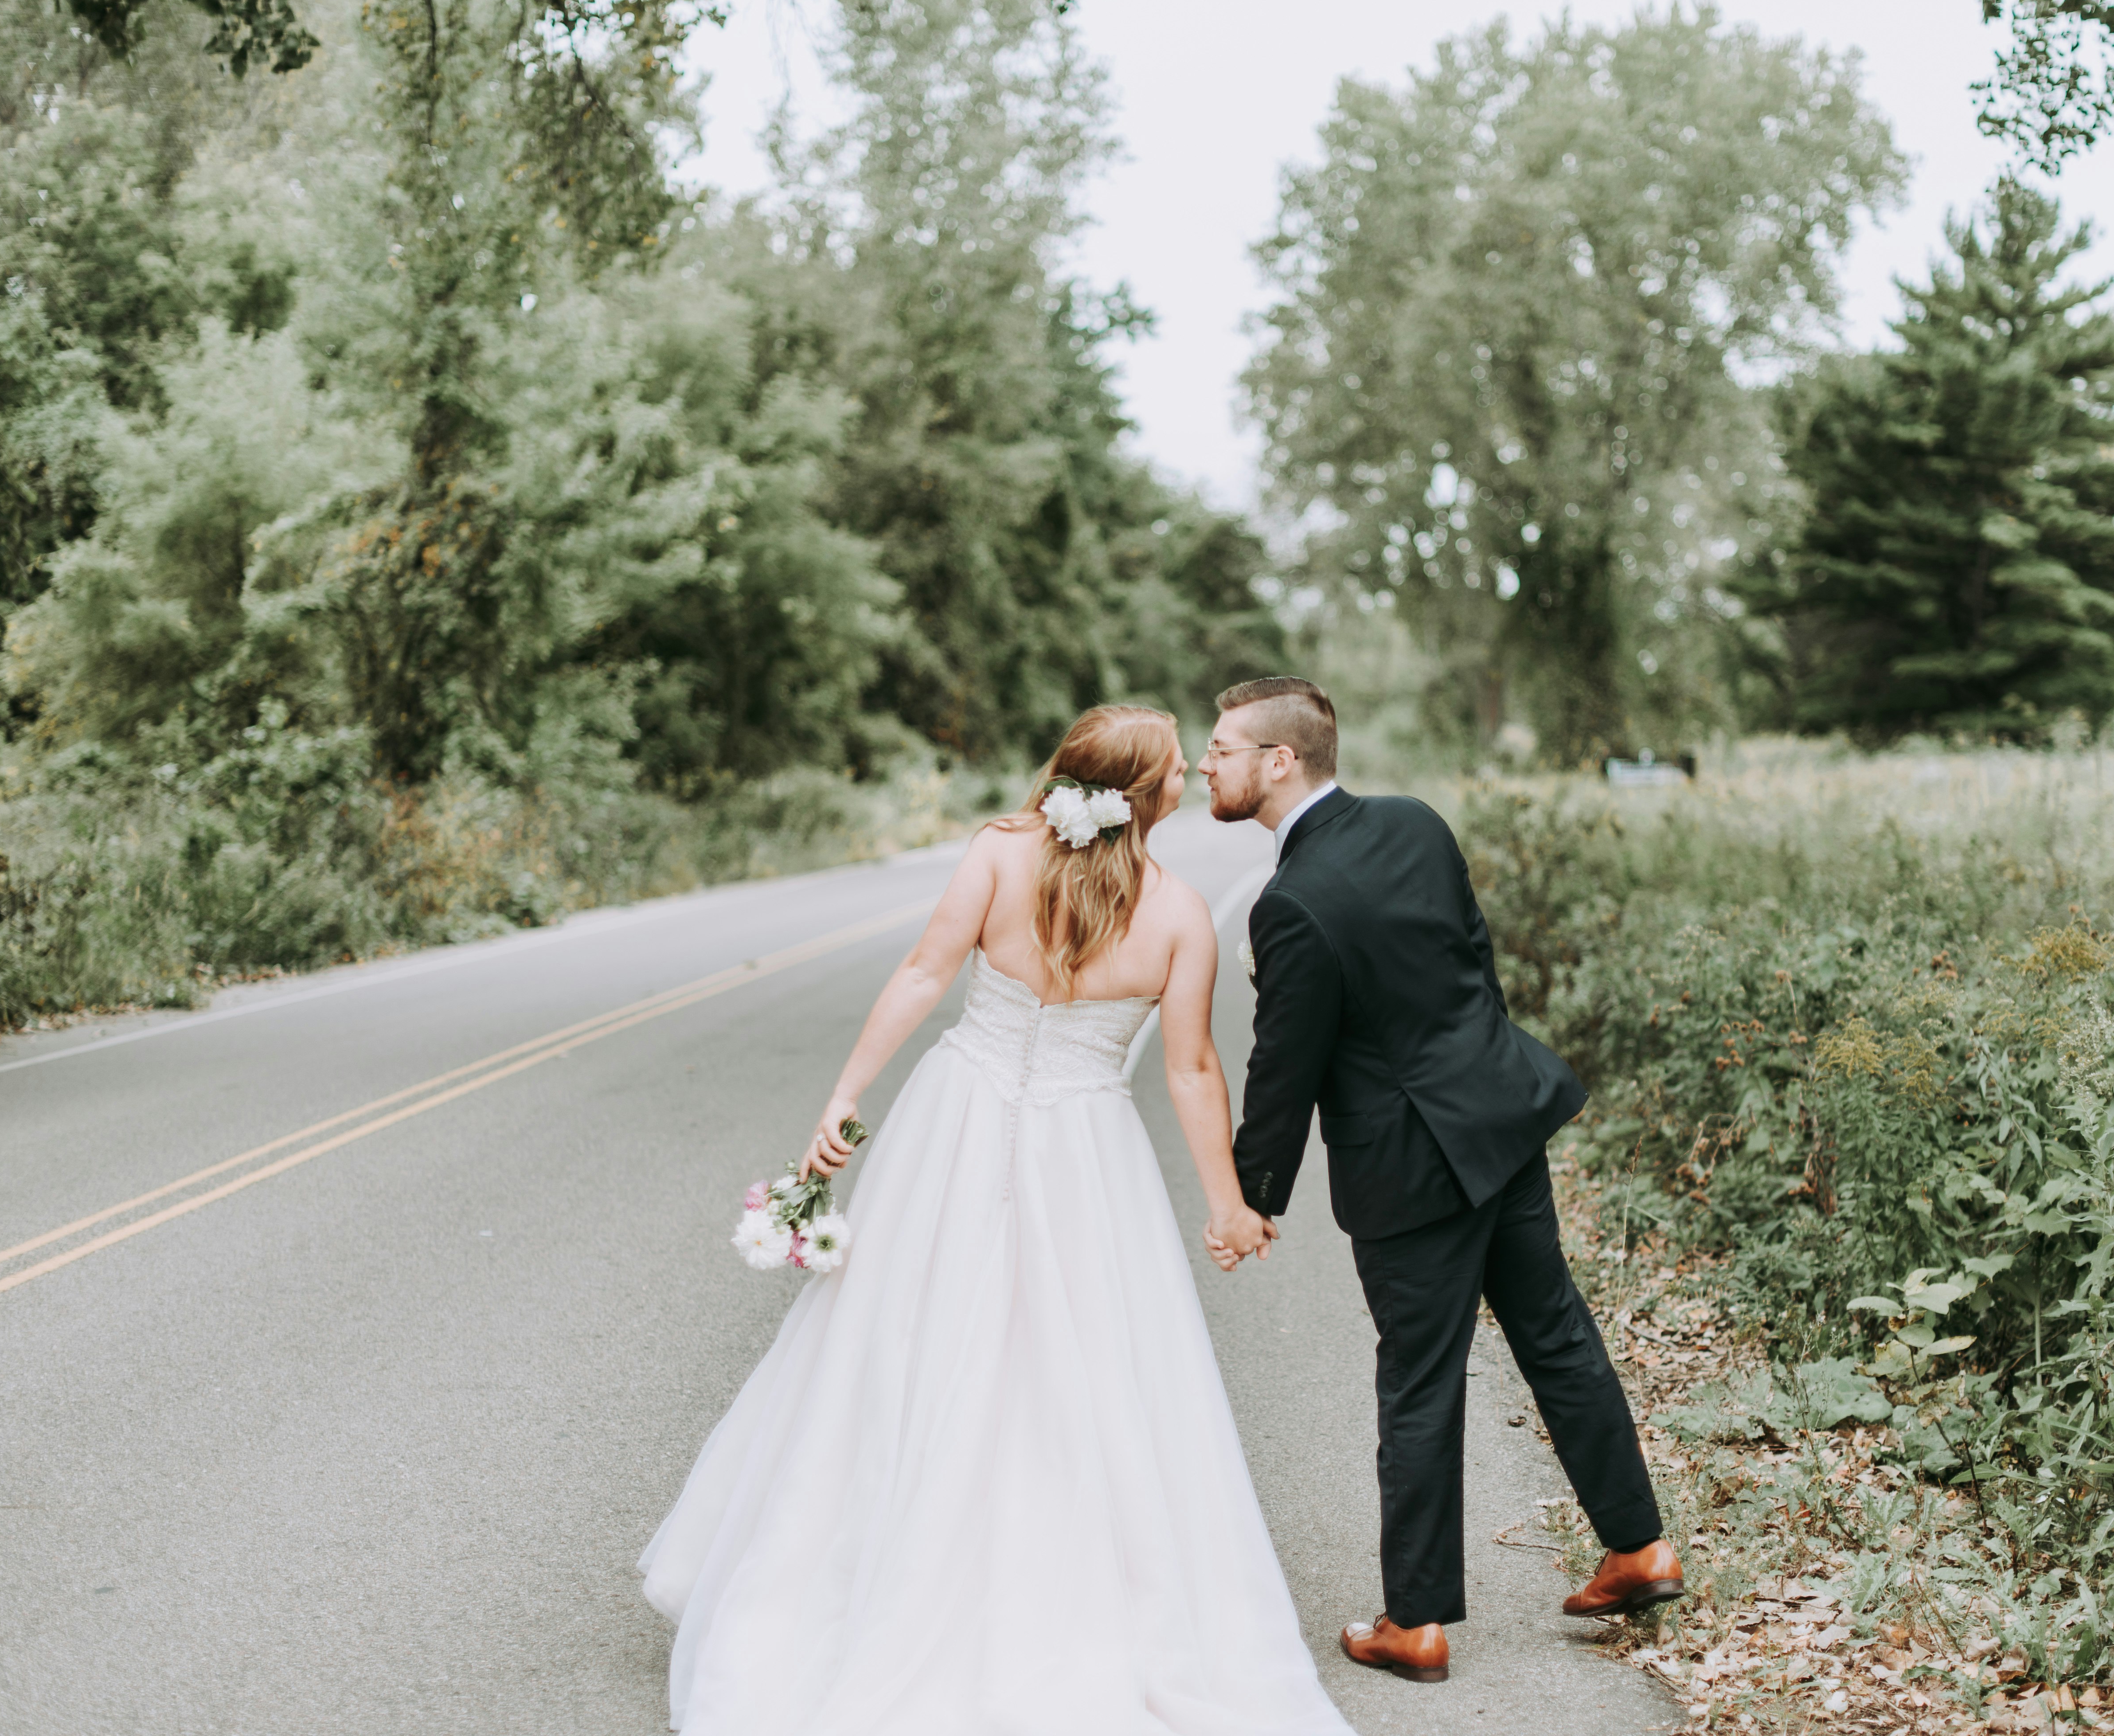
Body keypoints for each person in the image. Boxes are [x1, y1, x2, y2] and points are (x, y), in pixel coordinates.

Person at [640, 704, 1351, 1736]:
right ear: (1148, 800)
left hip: (956, 1121)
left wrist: (843, 1098)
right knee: (1082, 1368)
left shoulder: (999, 854)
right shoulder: (1181, 914)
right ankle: (1068, 1594)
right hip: (1085, 1152)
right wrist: (1228, 1206)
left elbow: (925, 973)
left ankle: (856, 1572)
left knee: (900, 1341)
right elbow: (1192, 1069)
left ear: (1067, 776)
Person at [1200, 676, 1679, 1687]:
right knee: (1555, 1332)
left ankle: (1413, 1622)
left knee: (1418, 1381)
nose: (1206, 762)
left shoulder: (1290, 903)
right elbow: (1472, 964)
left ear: (1277, 762)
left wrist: (1251, 1197)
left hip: (1407, 1166)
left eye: (1221, 746)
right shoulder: (1416, 824)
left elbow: (1282, 1070)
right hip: (1499, 1118)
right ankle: (1639, 1549)